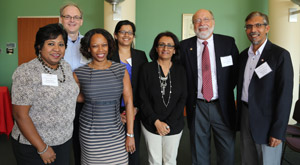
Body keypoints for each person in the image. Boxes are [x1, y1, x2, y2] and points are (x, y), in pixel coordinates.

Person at [10, 23, 79, 165]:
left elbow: (71, 94)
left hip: (63, 140)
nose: (57, 49)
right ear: (40, 47)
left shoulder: (65, 67)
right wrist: (42, 148)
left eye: (61, 44)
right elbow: (20, 115)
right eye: (51, 44)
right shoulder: (27, 72)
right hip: (34, 145)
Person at [180, 9, 239, 165]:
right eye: (197, 21)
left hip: (222, 105)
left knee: (227, 150)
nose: (202, 24)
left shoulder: (228, 43)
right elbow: (181, 77)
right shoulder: (184, 46)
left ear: (213, 22)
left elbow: (235, 73)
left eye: (206, 19)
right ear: (193, 25)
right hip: (197, 106)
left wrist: (224, 91)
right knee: (199, 153)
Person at [237, 11, 293, 165]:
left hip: (268, 121)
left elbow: (285, 96)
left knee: (268, 162)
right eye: (248, 26)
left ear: (267, 28)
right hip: (245, 116)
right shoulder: (243, 56)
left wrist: (278, 131)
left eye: (258, 25)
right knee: (247, 159)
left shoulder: (280, 55)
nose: (253, 30)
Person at [74, 28, 136, 164]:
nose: (100, 50)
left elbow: (129, 102)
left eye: (104, 45)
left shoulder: (120, 70)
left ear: (109, 46)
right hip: (90, 133)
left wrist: (130, 134)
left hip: (116, 131)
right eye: (95, 46)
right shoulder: (80, 73)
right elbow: (71, 97)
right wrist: (92, 99)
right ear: (88, 49)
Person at [139, 31, 187, 165]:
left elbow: (183, 98)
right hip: (151, 122)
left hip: (174, 124)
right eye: (161, 45)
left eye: (170, 46)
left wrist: (169, 123)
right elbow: (142, 98)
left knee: (170, 160)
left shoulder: (181, 70)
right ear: (156, 48)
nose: (165, 48)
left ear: (175, 50)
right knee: (154, 160)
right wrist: (156, 122)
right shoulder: (146, 68)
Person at [110, 20, 148, 165]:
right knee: (114, 149)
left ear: (133, 36)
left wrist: (136, 107)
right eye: (122, 32)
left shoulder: (141, 55)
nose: (126, 35)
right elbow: (105, 86)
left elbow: (144, 85)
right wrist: (116, 113)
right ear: (115, 34)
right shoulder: (108, 55)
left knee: (133, 149)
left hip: (135, 109)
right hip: (113, 110)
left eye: (130, 32)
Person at [60, 3, 88, 164]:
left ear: (81, 21)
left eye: (76, 17)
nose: (72, 20)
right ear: (61, 19)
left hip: (84, 102)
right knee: (60, 144)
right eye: (67, 16)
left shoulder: (89, 43)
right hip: (60, 103)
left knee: (81, 143)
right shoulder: (53, 44)